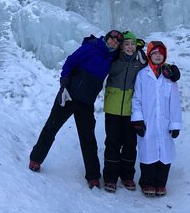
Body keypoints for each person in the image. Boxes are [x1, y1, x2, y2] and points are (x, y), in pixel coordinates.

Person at [28, 30, 124, 189]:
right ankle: (35, 159)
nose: (113, 43)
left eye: (117, 42)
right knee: (52, 127)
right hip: (69, 94)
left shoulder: (112, 56)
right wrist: (64, 82)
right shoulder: (91, 48)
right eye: (111, 39)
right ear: (107, 38)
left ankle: (93, 176)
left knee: (88, 138)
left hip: (86, 102)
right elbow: (71, 61)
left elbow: (131, 54)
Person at [102, 31, 181, 193]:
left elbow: (162, 68)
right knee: (113, 143)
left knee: (130, 145)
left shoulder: (142, 63)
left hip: (130, 112)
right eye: (126, 44)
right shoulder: (114, 59)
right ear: (121, 46)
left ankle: (127, 176)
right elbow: (99, 59)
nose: (130, 47)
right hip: (114, 108)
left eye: (132, 44)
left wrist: (173, 70)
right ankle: (110, 178)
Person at [131, 40, 183, 197]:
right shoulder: (142, 75)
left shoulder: (169, 77)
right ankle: (147, 183)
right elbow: (137, 99)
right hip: (148, 122)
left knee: (165, 155)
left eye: (161, 53)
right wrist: (138, 120)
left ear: (164, 55)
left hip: (165, 122)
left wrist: (175, 124)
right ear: (149, 55)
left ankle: (161, 184)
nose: (158, 56)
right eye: (154, 53)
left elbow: (175, 102)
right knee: (148, 154)